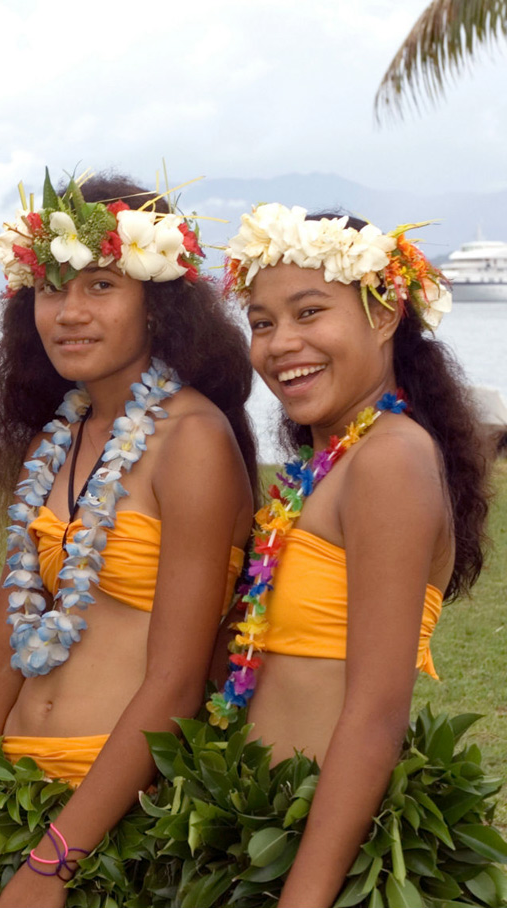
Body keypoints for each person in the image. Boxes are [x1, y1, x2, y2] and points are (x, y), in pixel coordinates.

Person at [0, 170, 257, 907]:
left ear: (157, 303)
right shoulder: (64, 435)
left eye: (101, 286)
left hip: (107, 821)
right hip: (5, 798)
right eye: (52, 288)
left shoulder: (192, 440)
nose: (69, 313)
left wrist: (55, 860)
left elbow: (175, 683)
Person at [203, 203, 490, 906]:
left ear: (384, 314)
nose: (279, 343)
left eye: (309, 312)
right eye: (262, 322)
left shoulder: (390, 459)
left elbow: (375, 713)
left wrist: (303, 896)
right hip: (263, 835)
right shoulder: (333, 461)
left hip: (325, 859)